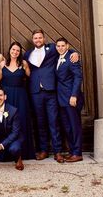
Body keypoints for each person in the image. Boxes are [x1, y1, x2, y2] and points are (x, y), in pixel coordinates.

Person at [24, 29, 78, 163]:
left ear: (44, 38)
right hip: (35, 92)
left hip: (51, 91)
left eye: (40, 37)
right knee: (40, 122)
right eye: (35, 38)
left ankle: (57, 151)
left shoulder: (52, 48)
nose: (38, 40)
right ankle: (43, 150)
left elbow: (64, 50)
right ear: (33, 40)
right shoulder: (27, 54)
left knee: (54, 121)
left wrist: (74, 53)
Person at [0, 41, 35, 159]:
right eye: (13, 49)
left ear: (20, 53)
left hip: (20, 96)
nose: (15, 52)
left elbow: (31, 77)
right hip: (6, 97)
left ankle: (21, 153)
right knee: (5, 122)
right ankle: (5, 153)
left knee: (22, 121)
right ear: (10, 50)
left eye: (17, 50)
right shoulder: (2, 63)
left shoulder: (23, 63)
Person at [55, 37, 84, 162]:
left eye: (63, 45)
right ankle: (72, 151)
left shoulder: (72, 58)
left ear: (67, 46)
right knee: (67, 126)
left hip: (71, 98)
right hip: (61, 99)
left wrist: (74, 95)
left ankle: (77, 153)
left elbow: (78, 77)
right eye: (58, 46)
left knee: (74, 126)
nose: (60, 48)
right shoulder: (58, 58)